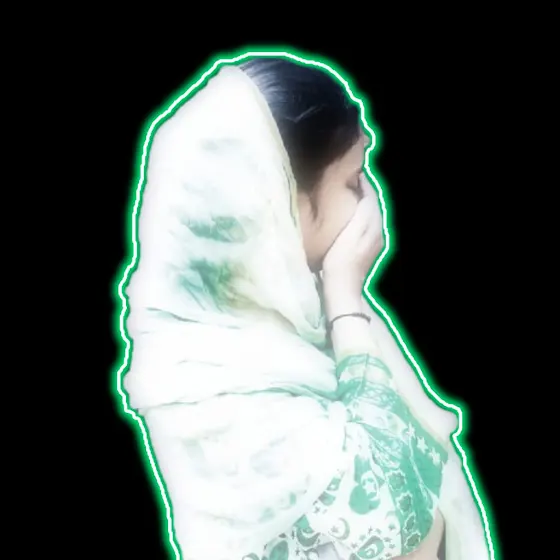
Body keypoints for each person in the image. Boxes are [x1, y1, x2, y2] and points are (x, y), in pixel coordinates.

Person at [122, 56, 490, 560]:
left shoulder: (288, 332)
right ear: (275, 203)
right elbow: (399, 518)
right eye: (354, 181)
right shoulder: (207, 384)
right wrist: (345, 299)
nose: (371, 204)